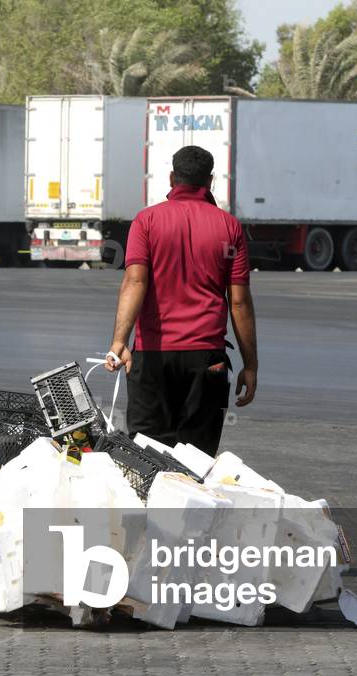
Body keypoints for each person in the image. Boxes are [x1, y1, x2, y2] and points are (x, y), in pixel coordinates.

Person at [105, 145, 257, 456]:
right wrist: (250, 364)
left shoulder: (146, 221)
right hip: (207, 361)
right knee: (196, 461)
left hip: (153, 358)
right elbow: (239, 303)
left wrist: (120, 341)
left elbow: (135, 281)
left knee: (146, 456)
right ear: (210, 181)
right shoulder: (230, 227)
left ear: (172, 177)